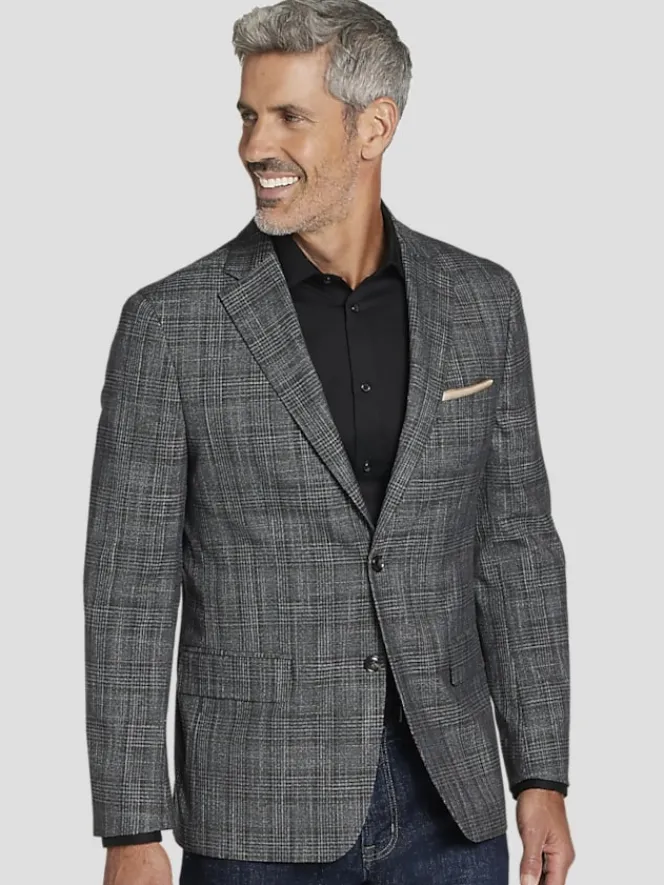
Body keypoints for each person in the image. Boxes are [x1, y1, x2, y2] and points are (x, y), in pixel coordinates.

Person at [83, 1, 575, 883]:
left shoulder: (481, 302)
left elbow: (516, 547)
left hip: (451, 806)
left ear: (374, 126)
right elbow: (129, 585)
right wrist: (130, 828)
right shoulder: (170, 325)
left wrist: (541, 774)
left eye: (289, 117)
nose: (254, 146)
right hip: (254, 813)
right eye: (247, 115)